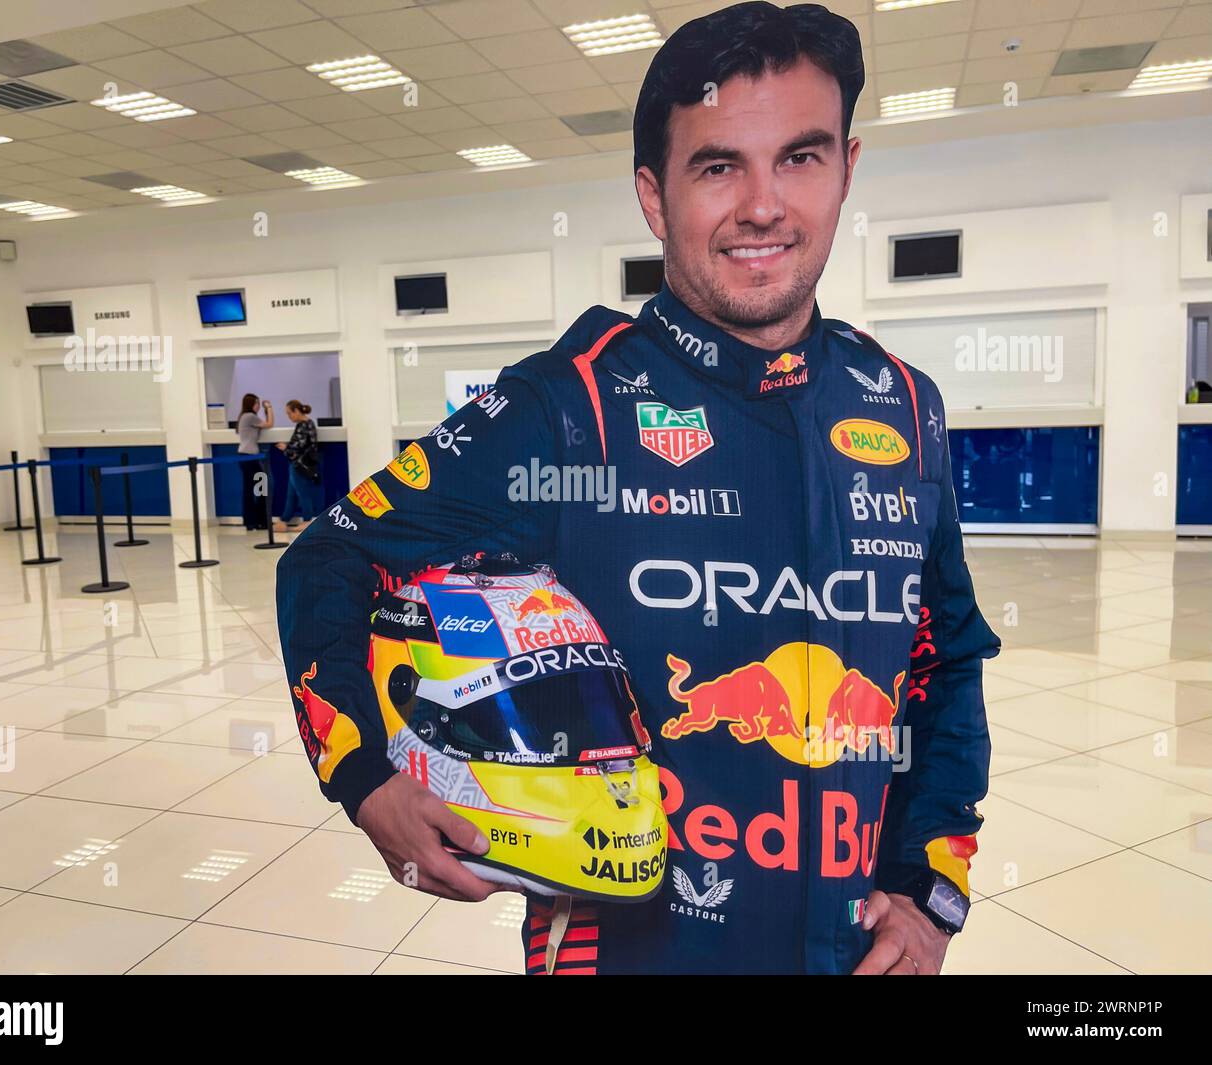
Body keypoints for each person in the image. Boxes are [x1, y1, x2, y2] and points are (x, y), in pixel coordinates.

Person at [276, 1, 1000, 976]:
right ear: (654, 199)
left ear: (845, 170)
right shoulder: (567, 405)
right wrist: (362, 776)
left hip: (844, 950)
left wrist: (928, 892)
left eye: (799, 156)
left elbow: (943, 665)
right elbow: (331, 555)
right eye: (717, 166)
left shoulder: (904, 407)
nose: (761, 205)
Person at [273, 400, 323, 533]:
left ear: (296, 411)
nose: (289, 417)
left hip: (299, 464)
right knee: (292, 494)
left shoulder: (303, 425)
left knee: (302, 493)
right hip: (299, 464)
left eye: (289, 413)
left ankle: (307, 520)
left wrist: (285, 447)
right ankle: (284, 519)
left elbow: (299, 446)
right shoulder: (308, 424)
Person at [236, 392, 273, 531]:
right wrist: (269, 408)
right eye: (257, 403)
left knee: (255, 489)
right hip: (248, 457)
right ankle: (257, 521)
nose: (258, 405)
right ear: (251, 404)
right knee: (259, 488)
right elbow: (269, 424)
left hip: (248, 456)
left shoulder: (247, 417)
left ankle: (254, 521)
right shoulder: (250, 416)